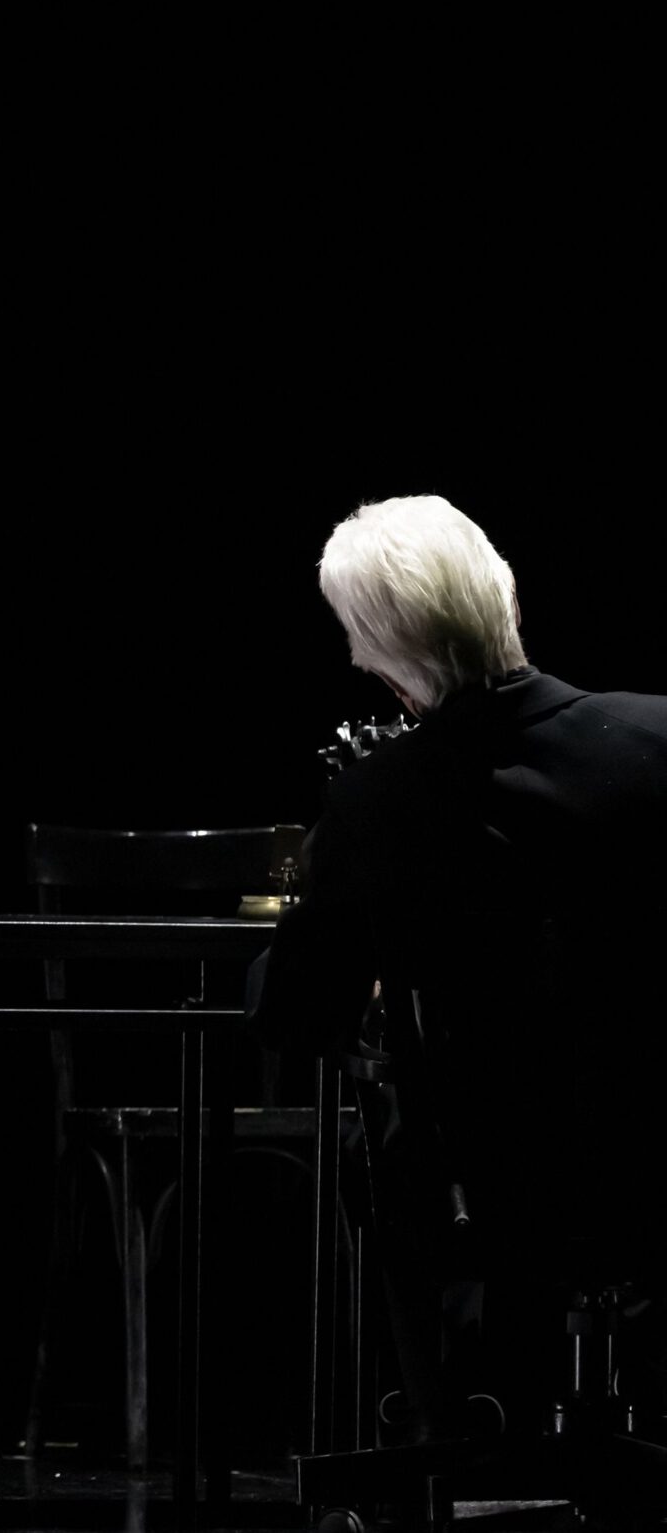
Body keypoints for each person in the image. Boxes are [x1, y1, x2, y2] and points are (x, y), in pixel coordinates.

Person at [249, 494, 666, 1442]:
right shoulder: (655, 742)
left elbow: (296, 1015)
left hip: (501, 1195)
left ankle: (453, 1430)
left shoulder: (380, 799)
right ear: (504, 596)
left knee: (394, 1158)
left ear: (378, 656)